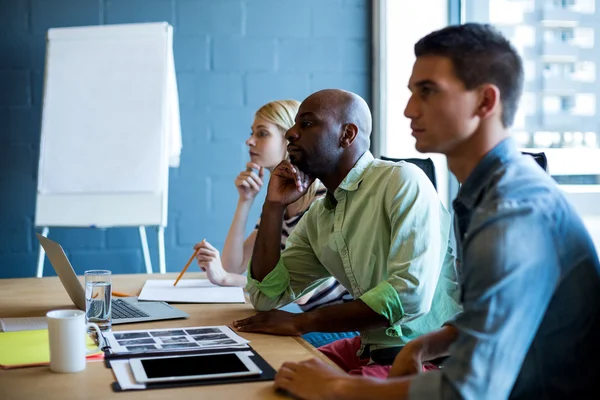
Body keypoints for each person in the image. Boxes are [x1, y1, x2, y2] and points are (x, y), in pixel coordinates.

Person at [270, 23, 600, 399]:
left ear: (485, 102)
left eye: (427, 92)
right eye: (411, 92)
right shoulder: (485, 193)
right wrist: (422, 346)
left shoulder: (511, 210)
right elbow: (491, 317)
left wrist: (341, 387)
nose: (410, 109)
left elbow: (469, 390)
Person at [233, 88, 462, 378]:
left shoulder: (401, 181)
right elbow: (266, 296)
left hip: (429, 360)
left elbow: (409, 295)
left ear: (347, 135)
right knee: (275, 373)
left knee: (302, 388)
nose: (291, 133)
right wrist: (273, 205)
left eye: (306, 123)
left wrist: (305, 322)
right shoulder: (320, 215)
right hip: (372, 349)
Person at [192, 100, 357, 346]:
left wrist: (226, 279)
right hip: (306, 320)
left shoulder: (322, 201)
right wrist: (245, 201)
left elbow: (301, 293)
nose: (250, 141)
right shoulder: (279, 204)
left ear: (289, 139)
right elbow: (234, 265)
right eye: (252, 133)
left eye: (262, 133)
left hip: (339, 327)